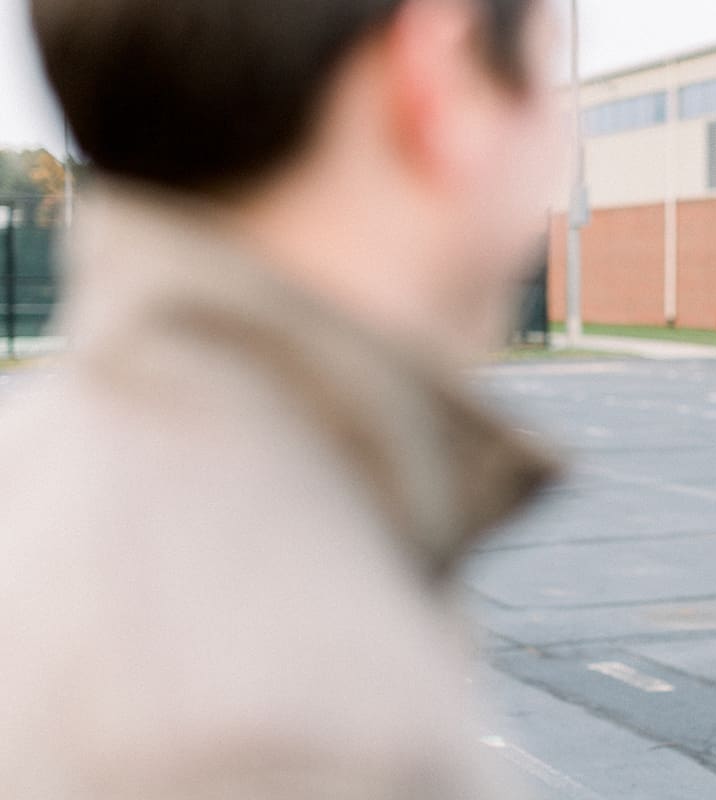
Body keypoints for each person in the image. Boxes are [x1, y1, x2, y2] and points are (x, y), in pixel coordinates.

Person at [0, 0, 562, 796]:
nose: (555, 144)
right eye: (549, 66)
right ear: (436, 73)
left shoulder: (36, 466)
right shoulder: (296, 730)